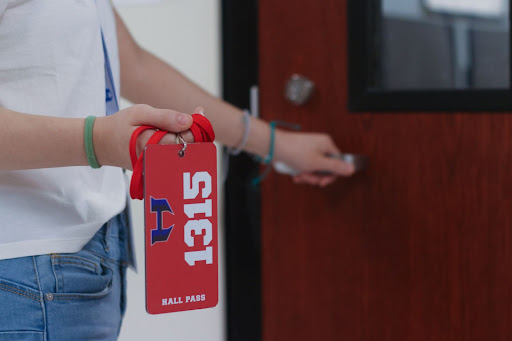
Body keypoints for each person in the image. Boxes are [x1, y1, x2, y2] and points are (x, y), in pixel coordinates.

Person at [0, 1, 355, 340]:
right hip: (26, 268)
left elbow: (133, 65)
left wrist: (274, 144)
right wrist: (97, 141)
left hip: (84, 249)